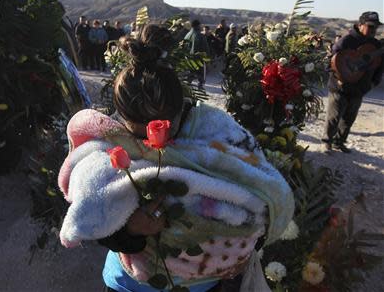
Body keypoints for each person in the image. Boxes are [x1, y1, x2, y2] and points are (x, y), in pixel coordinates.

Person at [58, 24, 293, 292]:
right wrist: (130, 231)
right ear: (120, 116)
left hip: (203, 284)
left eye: (165, 124)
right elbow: (94, 210)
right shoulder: (107, 142)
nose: (153, 138)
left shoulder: (217, 130)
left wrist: (244, 249)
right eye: (139, 130)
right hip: (130, 285)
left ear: (180, 107)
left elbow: (264, 190)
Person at [322, 11, 384, 153]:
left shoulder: (376, 45)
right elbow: (330, 61)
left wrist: (373, 83)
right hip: (340, 86)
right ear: (360, 25)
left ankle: (339, 142)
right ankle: (327, 142)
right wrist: (337, 79)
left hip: (360, 87)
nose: (374, 30)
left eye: (376, 27)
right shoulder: (347, 40)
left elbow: (379, 67)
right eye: (370, 26)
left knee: (349, 117)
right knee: (334, 116)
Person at [184, 20, 210, 89]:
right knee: (201, 75)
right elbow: (205, 48)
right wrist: (207, 58)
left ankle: (187, 86)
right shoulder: (200, 35)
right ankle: (200, 87)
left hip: (188, 58)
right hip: (198, 59)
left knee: (190, 72)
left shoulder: (187, 34)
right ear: (198, 25)